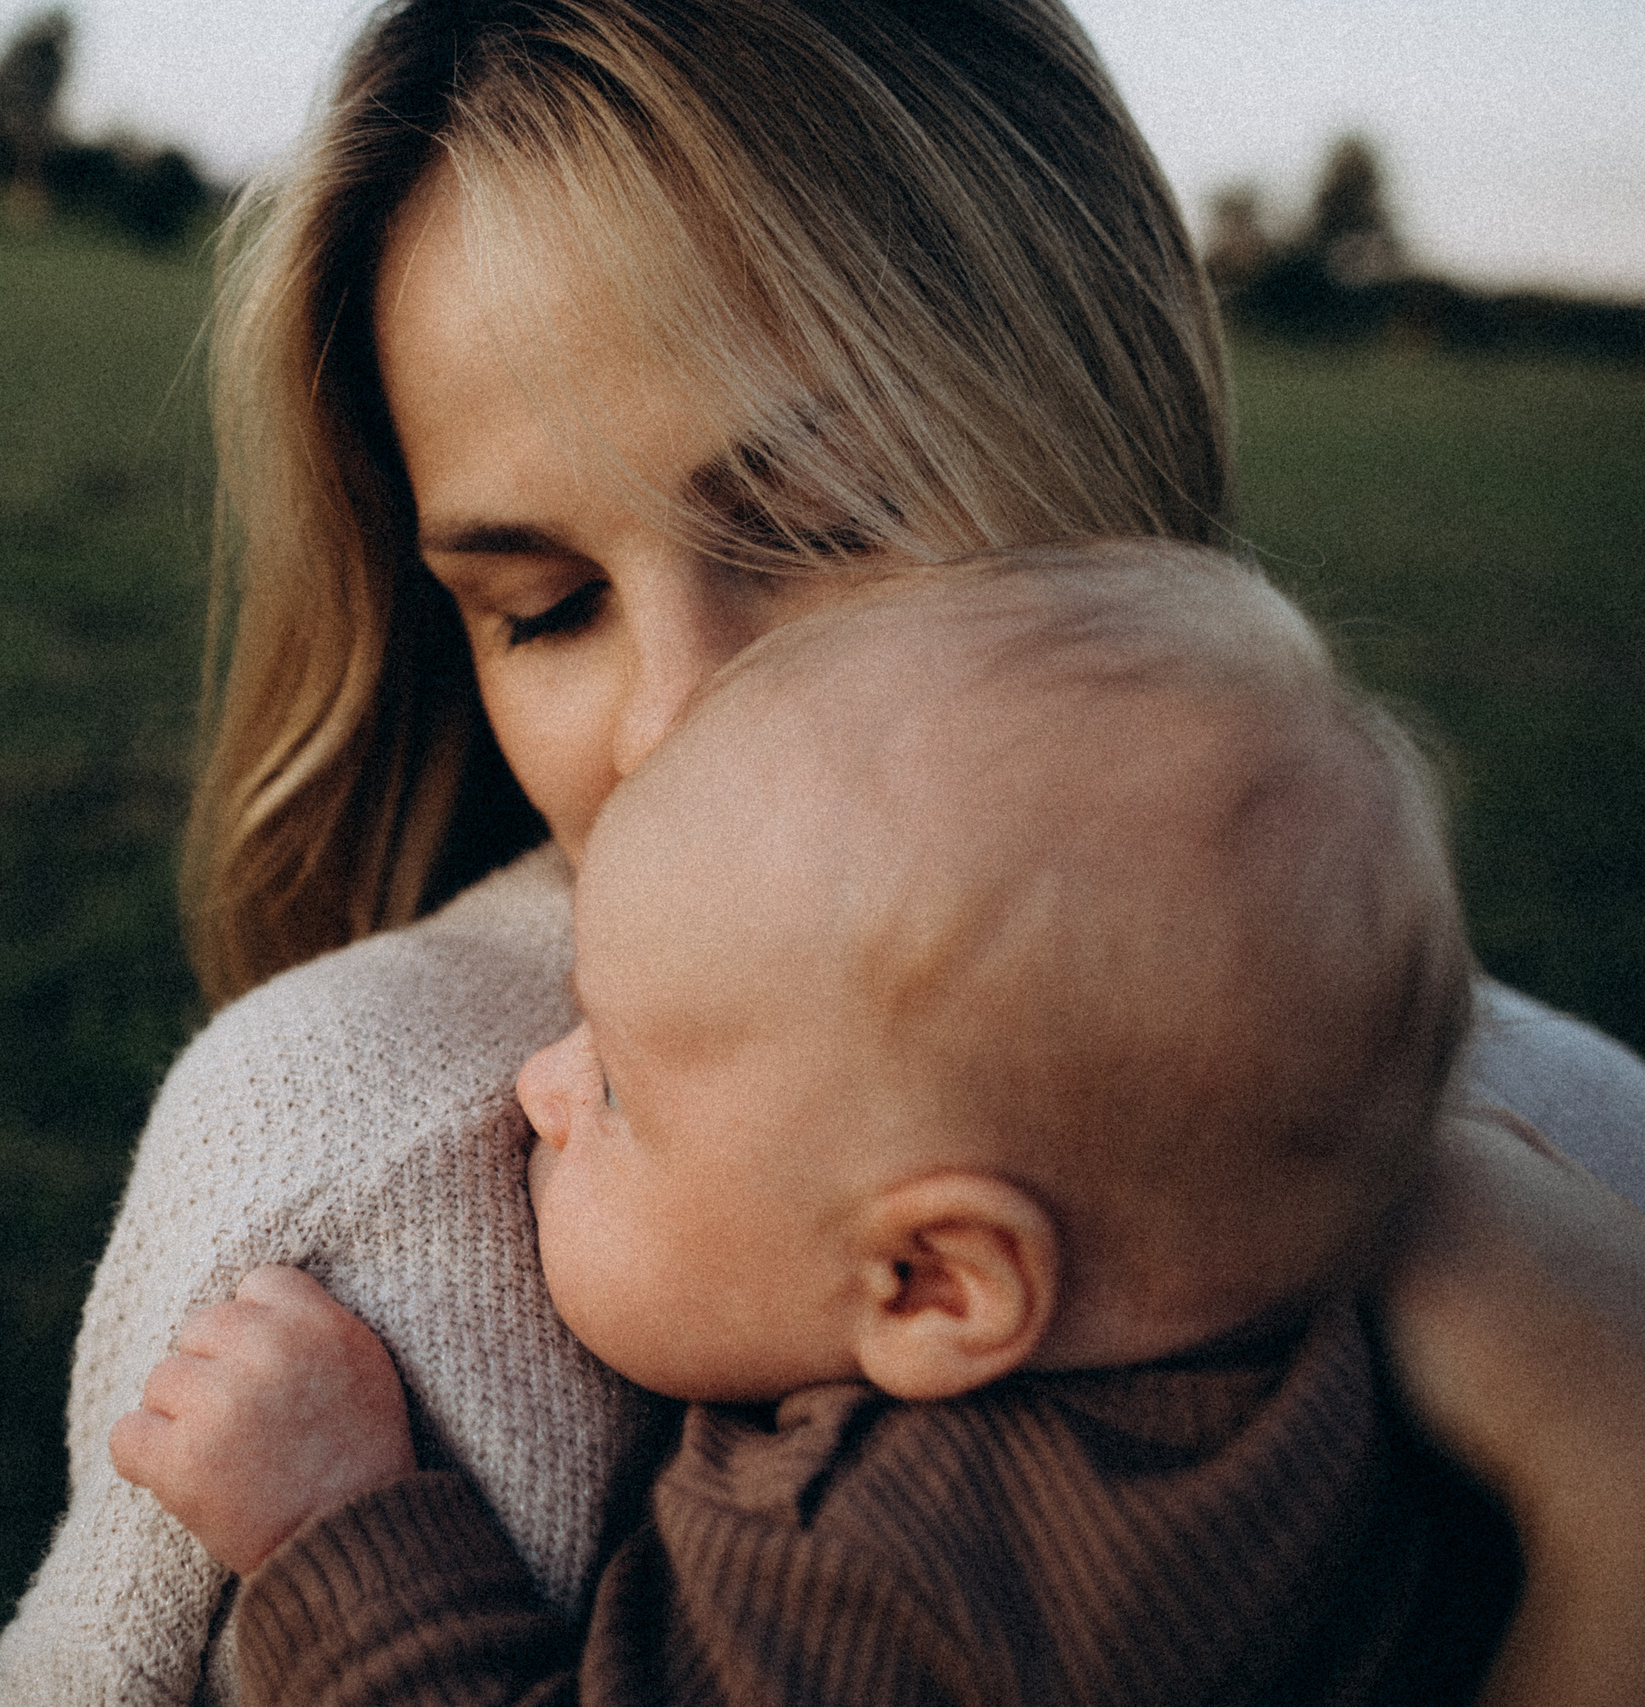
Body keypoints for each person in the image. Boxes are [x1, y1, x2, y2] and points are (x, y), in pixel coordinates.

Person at [0, 3, 1645, 1702]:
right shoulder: (354, 1174)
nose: (677, 720)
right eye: (544, 608)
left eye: (819, 521)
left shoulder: (1586, 1160)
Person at [111, 540, 1524, 1704]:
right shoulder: (1321, 1381)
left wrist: (334, 1526)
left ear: (933, 1284)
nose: (538, 1085)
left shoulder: (874, 1566)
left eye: (619, 1089)